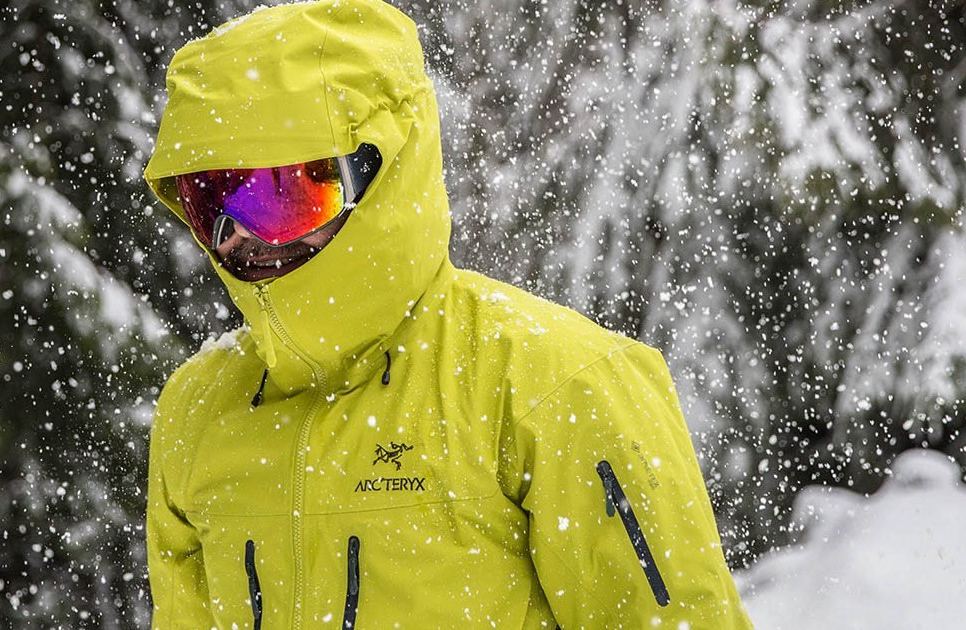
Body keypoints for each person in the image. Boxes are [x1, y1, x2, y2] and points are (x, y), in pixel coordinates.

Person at [142, 1, 753, 628]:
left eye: (279, 195)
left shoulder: (556, 384)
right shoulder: (199, 408)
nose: (237, 235)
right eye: (208, 197)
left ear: (381, 172)